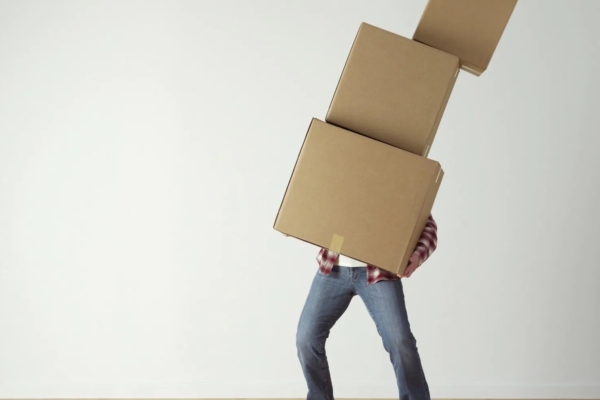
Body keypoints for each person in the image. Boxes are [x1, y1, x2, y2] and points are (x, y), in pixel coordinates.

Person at [289, 214, 437, 400]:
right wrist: (293, 222)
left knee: (400, 342)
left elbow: (426, 223)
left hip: (379, 268)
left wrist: (418, 255)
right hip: (333, 266)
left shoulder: (398, 184)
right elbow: (311, 206)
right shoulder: (335, 183)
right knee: (306, 338)